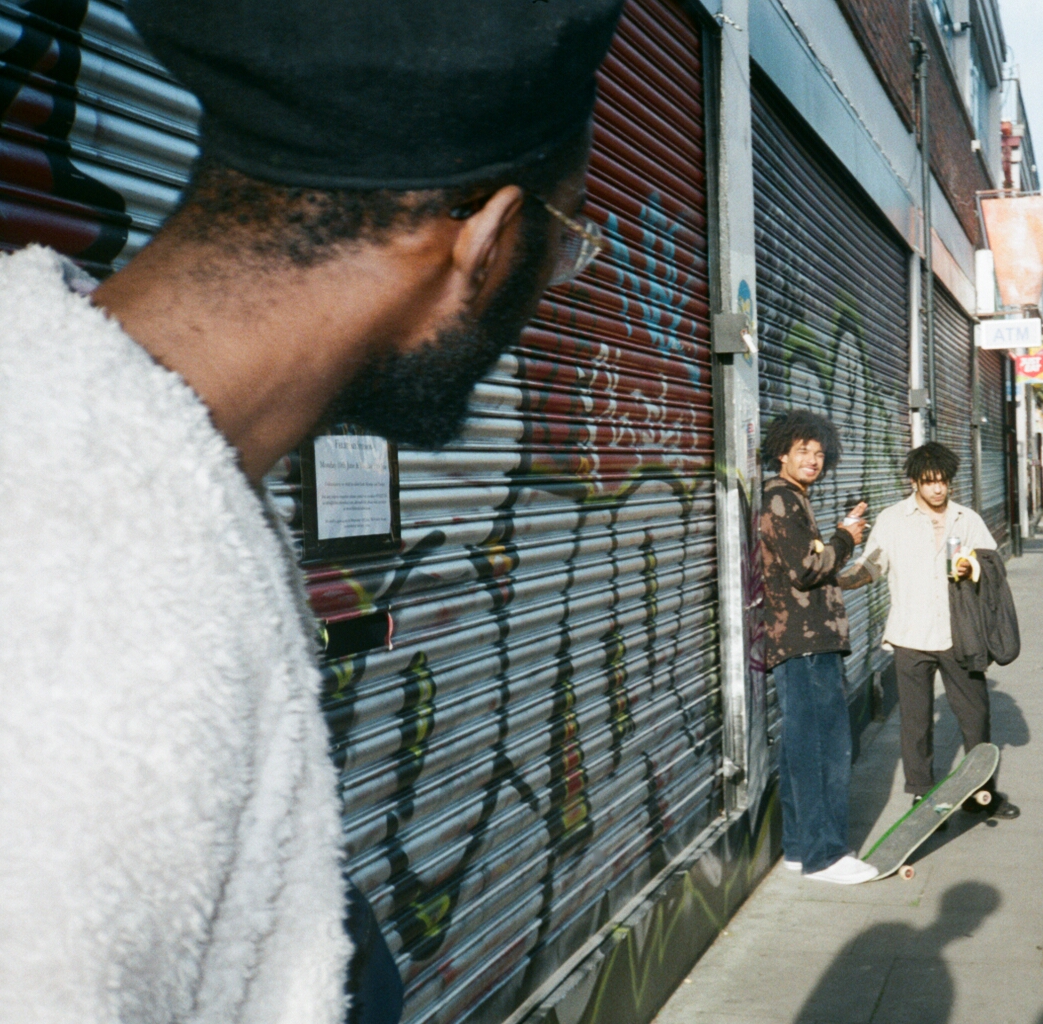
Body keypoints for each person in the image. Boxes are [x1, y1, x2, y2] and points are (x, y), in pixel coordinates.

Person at [0, 1, 626, 1019]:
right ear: (485, 241)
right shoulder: (91, 614)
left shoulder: (114, 483)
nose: (550, 289)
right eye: (564, 243)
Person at [844, 442, 1019, 819]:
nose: (938, 489)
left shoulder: (966, 519)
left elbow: (993, 565)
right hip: (910, 634)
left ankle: (980, 792)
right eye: (929, 482)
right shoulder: (893, 519)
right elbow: (871, 566)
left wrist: (973, 567)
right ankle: (921, 794)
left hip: (960, 635)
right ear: (914, 482)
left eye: (943, 482)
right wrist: (834, 580)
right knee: (915, 722)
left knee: (975, 717)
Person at [759, 411, 878, 884]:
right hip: (805, 643)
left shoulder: (792, 498)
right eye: (803, 450)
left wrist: (848, 560)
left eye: (819, 452)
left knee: (800, 747)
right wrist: (846, 538)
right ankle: (824, 856)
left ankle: (798, 848)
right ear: (782, 452)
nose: (812, 459)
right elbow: (808, 569)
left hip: (803, 640)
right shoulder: (781, 499)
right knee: (825, 746)